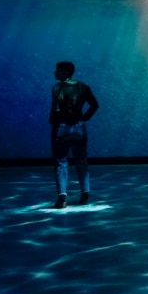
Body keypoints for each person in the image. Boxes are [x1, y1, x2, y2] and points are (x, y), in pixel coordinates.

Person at [49, 61, 100, 209]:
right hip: (79, 127)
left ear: (65, 72)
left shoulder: (57, 88)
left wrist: (54, 122)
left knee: (61, 163)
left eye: (57, 70)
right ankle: (85, 194)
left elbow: (56, 110)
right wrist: (84, 118)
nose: (54, 73)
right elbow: (94, 105)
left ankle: (62, 198)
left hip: (62, 128)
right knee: (81, 161)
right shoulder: (83, 87)